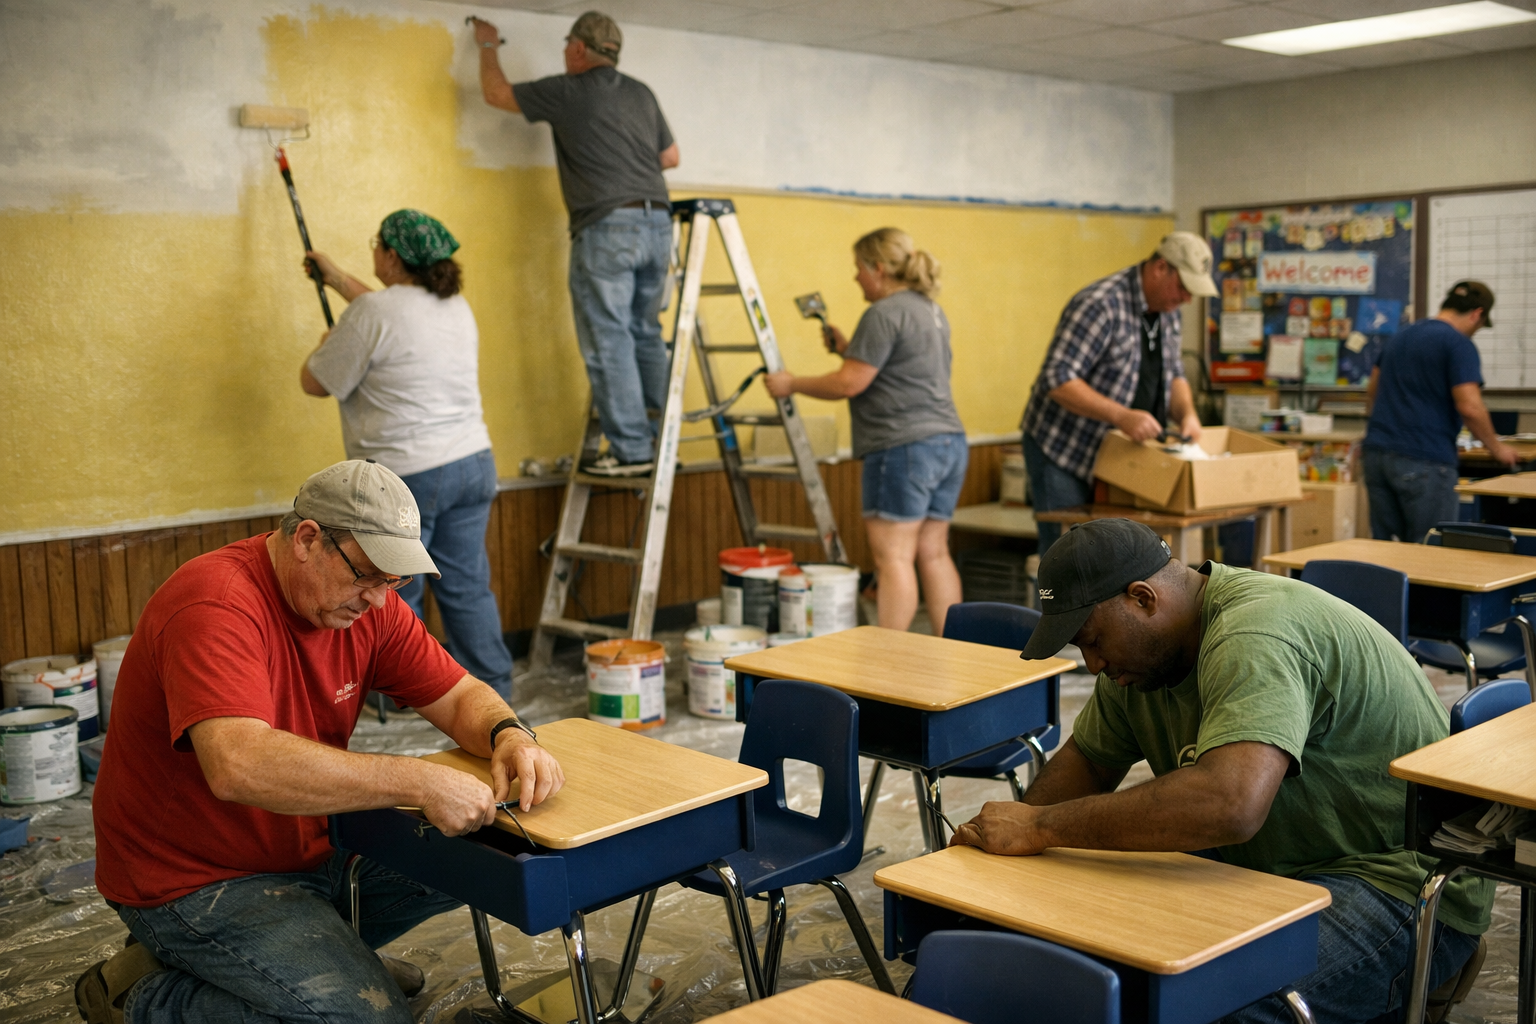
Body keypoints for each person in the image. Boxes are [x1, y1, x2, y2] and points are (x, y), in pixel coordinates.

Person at [78, 460, 565, 1024]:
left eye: (396, 581)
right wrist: (418, 779)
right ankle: (140, 996)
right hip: (194, 879)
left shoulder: (364, 604)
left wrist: (509, 735)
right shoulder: (215, 604)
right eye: (368, 575)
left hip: (314, 842)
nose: (380, 601)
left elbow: (458, 695)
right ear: (308, 539)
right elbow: (238, 765)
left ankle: (321, 965)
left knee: (494, 856)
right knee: (366, 1019)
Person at [951, 518, 1492, 1024]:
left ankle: (1426, 967)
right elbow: (1090, 763)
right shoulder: (1136, 664)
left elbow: (1229, 805)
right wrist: (1005, 840)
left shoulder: (1254, 635)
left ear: (1143, 599)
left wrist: (1042, 828)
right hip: (1272, 867)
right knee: (1087, 965)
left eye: (1093, 641)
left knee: (1208, 1006)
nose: (1092, 664)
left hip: (1396, 882)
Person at [300, 209, 515, 699]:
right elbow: (386, 313)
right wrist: (336, 279)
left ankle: (406, 694)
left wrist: (326, 343)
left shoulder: (372, 315)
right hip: (473, 463)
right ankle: (495, 686)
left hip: (408, 475)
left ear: (391, 256)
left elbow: (315, 382)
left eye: (377, 243)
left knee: (395, 592)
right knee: (466, 585)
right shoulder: (453, 305)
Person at [471, 11, 679, 478]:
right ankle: (663, 442)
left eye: (568, 44)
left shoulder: (568, 91)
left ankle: (632, 450)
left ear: (580, 49)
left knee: (610, 339)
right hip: (658, 222)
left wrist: (487, 46)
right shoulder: (641, 92)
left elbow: (496, 94)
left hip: (607, 226)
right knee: (645, 333)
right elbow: (670, 156)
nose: (565, 51)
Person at [765, 228, 966, 636]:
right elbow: (900, 369)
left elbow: (848, 384)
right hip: (949, 442)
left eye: (858, 268)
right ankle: (956, 651)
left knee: (893, 558)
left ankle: (887, 659)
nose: (855, 277)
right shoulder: (929, 309)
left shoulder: (883, 313)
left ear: (877, 268)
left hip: (902, 447)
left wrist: (792, 383)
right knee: (934, 552)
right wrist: (848, 348)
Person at [1021, 232, 1213, 553]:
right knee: (1068, 557)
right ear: (1159, 268)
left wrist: (1188, 415)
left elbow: (1175, 375)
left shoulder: (1169, 312)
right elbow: (1057, 378)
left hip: (1121, 455)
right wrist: (1121, 416)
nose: (1187, 298)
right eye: (1182, 287)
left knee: (1114, 558)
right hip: (1065, 450)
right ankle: (1056, 604)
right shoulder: (1100, 305)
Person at [1364, 280, 1517, 542]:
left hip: (1377, 456)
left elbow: (1372, 392)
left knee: (1387, 550)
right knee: (1432, 552)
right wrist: (1498, 449)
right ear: (1478, 314)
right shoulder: (1458, 344)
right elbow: (1470, 407)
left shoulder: (1401, 335)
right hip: (1424, 460)